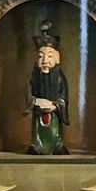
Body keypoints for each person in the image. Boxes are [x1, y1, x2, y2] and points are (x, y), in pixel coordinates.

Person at [28, 25, 69, 155]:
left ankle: (56, 145)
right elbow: (28, 92)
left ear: (57, 58)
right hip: (39, 111)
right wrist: (35, 101)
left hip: (54, 112)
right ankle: (37, 145)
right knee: (38, 130)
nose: (45, 60)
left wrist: (56, 104)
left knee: (54, 130)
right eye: (41, 56)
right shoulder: (33, 76)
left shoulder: (59, 77)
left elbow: (64, 94)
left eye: (50, 56)